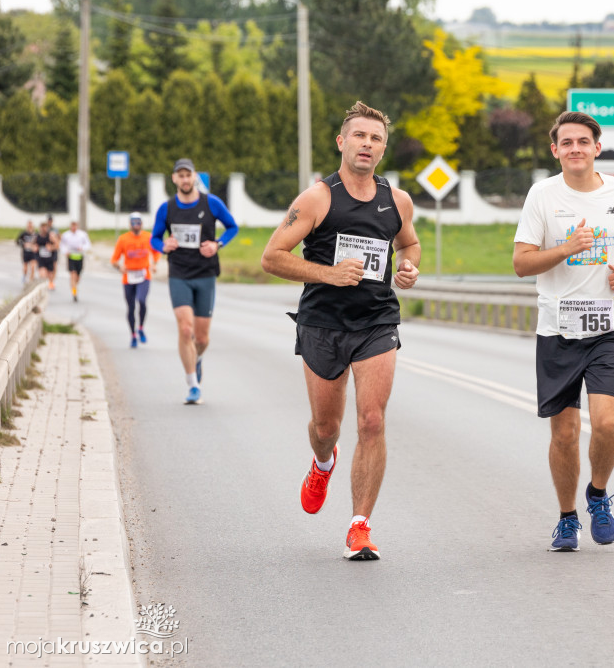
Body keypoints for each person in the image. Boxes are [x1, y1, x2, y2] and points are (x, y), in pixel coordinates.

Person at [261, 100, 420, 561]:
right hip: (323, 322)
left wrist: (408, 267)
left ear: (383, 148)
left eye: (375, 138)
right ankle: (322, 462)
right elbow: (272, 257)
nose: (367, 144)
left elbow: (408, 242)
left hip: (376, 321)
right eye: (359, 136)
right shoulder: (318, 198)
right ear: (342, 142)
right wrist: (328, 274)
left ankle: (359, 526)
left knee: (372, 420)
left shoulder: (397, 200)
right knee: (326, 426)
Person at [512, 111, 614, 552]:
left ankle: (597, 494)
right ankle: (566, 518)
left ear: (597, 148)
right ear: (554, 150)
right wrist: (566, 249)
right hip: (558, 330)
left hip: (609, 327)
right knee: (564, 434)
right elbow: (521, 263)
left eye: (583, 141)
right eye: (566, 142)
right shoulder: (542, 195)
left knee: (608, 423)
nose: (575, 148)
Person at [151, 158, 239, 405]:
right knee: (185, 328)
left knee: (201, 338)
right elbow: (154, 238)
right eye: (180, 175)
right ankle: (192, 385)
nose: (185, 179)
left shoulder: (211, 203)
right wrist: (163, 246)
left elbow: (232, 227)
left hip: (205, 274)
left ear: (194, 177)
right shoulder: (166, 209)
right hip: (179, 273)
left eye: (188, 175)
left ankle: (196, 358)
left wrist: (217, 244)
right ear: (174, 179)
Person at [112, 213, 161, 348]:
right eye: (133, 223)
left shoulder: (148, 237)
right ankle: (133, 334)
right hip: (129, 277)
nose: (136, 225)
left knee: (142, 300)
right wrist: (119, 267)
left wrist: (155, 264)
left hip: (144, 275)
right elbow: (114, 259)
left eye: (138, 222)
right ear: (129, 224)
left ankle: (140, 327)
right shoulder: (123, 239)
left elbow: (156, 252)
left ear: (142, 224)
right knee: (131, 307)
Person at [59, 220, 92, 302]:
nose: (73, 228)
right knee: (73, 275)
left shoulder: (82, 235)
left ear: (77, 226)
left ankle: (74, 287)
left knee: (77, 278)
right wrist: (65, 251)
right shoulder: (66, 235)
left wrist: (82, 248)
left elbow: (88, 244)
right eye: (72, 226)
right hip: (71, 257)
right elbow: (62, 245)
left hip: (79, 257)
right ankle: (74, 293)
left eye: (75, 226)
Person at [34, 221, 57, 288]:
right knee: (43, 275)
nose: (44, 229)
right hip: (41, 259)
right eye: (42, 227)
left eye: (45, 227)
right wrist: (35, 248)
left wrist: (51, 248)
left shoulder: (50, 236)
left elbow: (57, 245)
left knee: (49, 275)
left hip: (49, 259)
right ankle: (43, 287)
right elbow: (33, 245)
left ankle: (50, 283)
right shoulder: (37, 236)